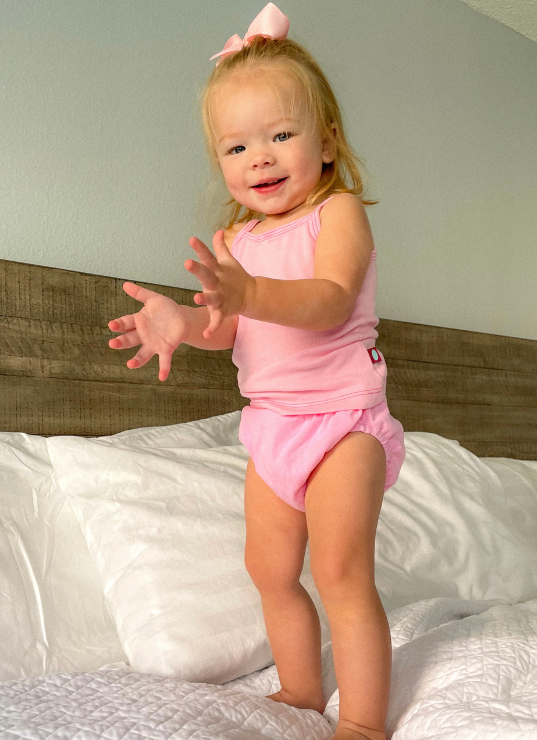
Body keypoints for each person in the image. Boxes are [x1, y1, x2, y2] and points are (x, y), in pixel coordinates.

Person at [107, 5, 405, 739]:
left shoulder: (337, 214)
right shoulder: (235, 241)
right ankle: (301, 690)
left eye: (280, 136)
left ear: (326, 141)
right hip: (271, 428)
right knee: (269, 572)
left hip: (343, 424)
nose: (260, 158)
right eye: (237, 146)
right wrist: (184, 323)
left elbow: (328, 300)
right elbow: (230, 325)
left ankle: (363, 724)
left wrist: (247, 294)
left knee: (340, 572)